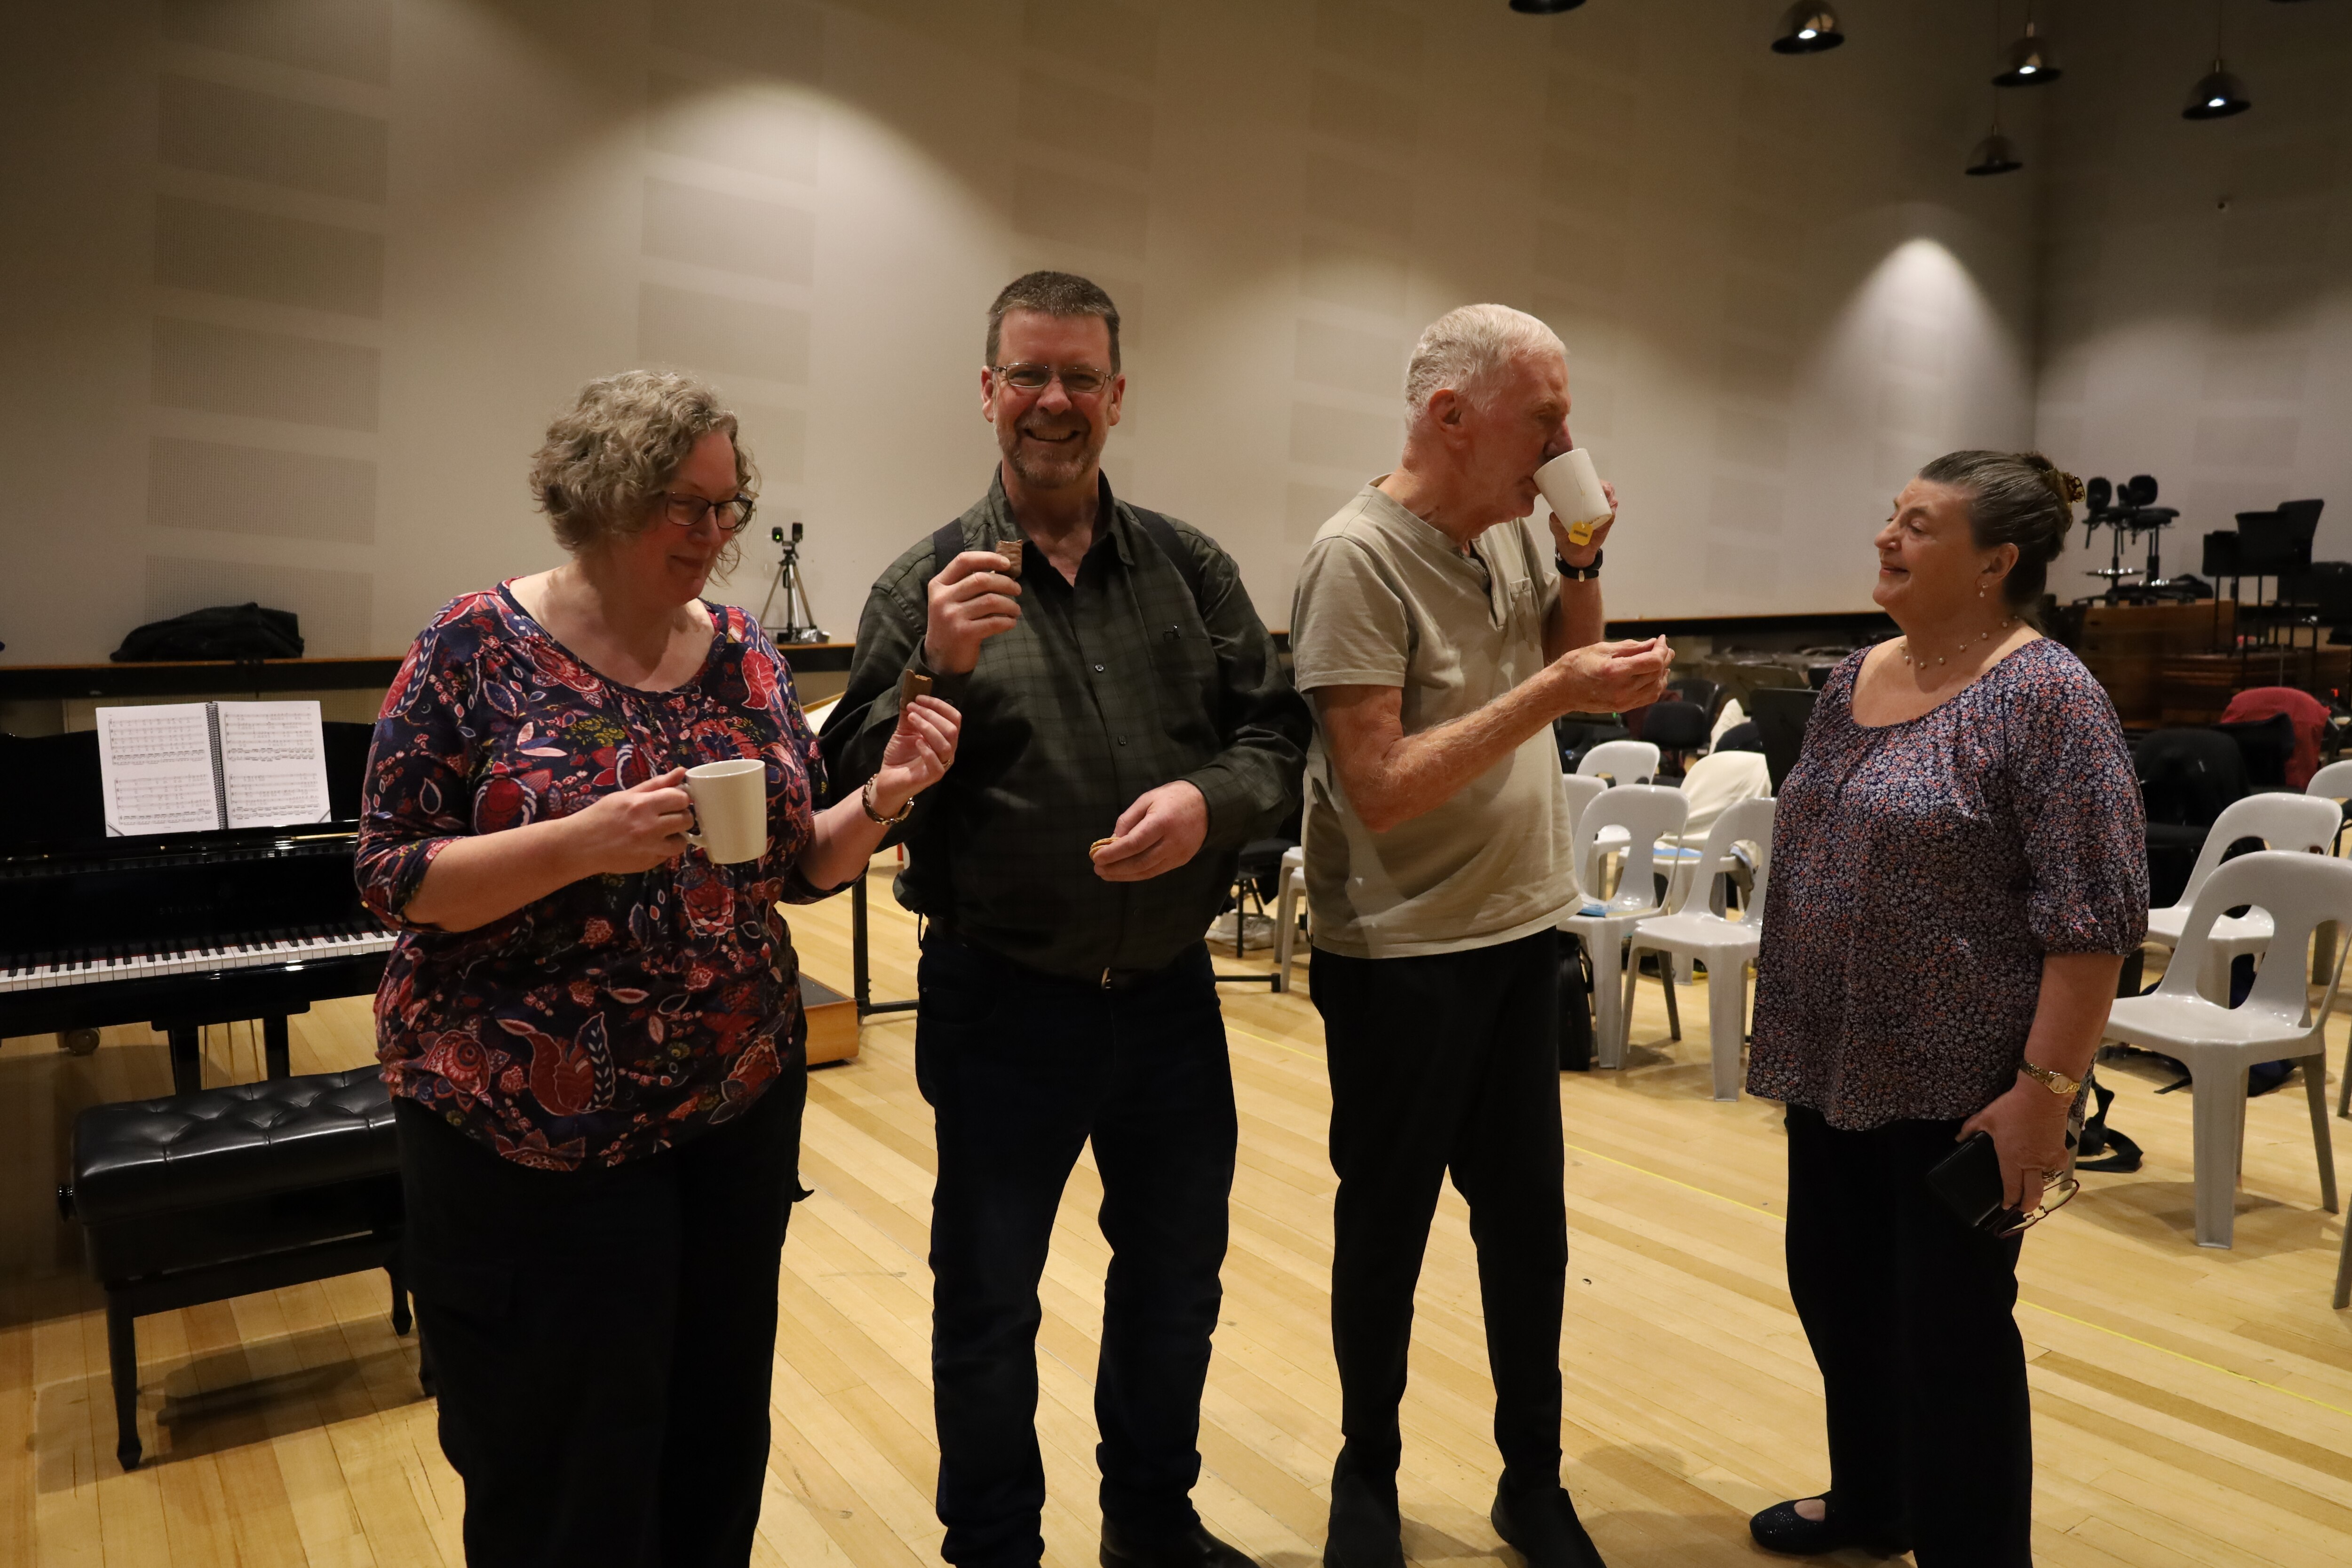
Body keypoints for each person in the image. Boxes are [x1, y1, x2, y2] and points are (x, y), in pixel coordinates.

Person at [357, 370, 962, 1568]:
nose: (716, 534)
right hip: (533, 1133)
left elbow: (795, 865)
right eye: (688, 506)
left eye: (730, 506)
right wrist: (583, 840)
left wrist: (885, 797)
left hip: (731, 1105)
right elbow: (393, 872)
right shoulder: (474, 644)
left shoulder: (740, 652)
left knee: (712, 1438)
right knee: (562, 1460)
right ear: (601, 497)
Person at [820, 272, 1311, 1568]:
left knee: (1174, 1287)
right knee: (985, 1301)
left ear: (1116, 395)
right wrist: (939, 667)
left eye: (1080, 377)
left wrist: (1213, 804)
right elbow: (854, 778)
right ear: (987, 392)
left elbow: (1275, 732)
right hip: (1001, 1002)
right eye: (1029, 374)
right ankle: (993, 1547)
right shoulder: (923, 581)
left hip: (1166, 1000)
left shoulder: (1192, 566)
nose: (1054, 400)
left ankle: (1151, 1524)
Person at [1288, 303, 1675, 1568]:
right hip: (1399, 949)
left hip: (1519, 929)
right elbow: (1383, 782)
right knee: (1386, 1224)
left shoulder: (1514, 534)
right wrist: (1560, 692)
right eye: (1546, 417)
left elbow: (1571, 654)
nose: (1568, 436)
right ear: (1450, 420)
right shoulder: (1357, 557)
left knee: (1529, 1228)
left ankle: (1534, 1478)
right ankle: (1368, 1472)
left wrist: (1577, 564)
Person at [1745, 451, 2147, 1565]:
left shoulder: (2049, 698)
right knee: (1838, 1297)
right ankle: (1876, 1503)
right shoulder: (1853, 678)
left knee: (1952, 1341)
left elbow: (2091, 923)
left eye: (1919, 526)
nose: (1887, 537)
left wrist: (2044, 1098)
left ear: (1994, 563)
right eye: (1892, 517)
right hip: (1831, 1066)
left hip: (1961, 1092)